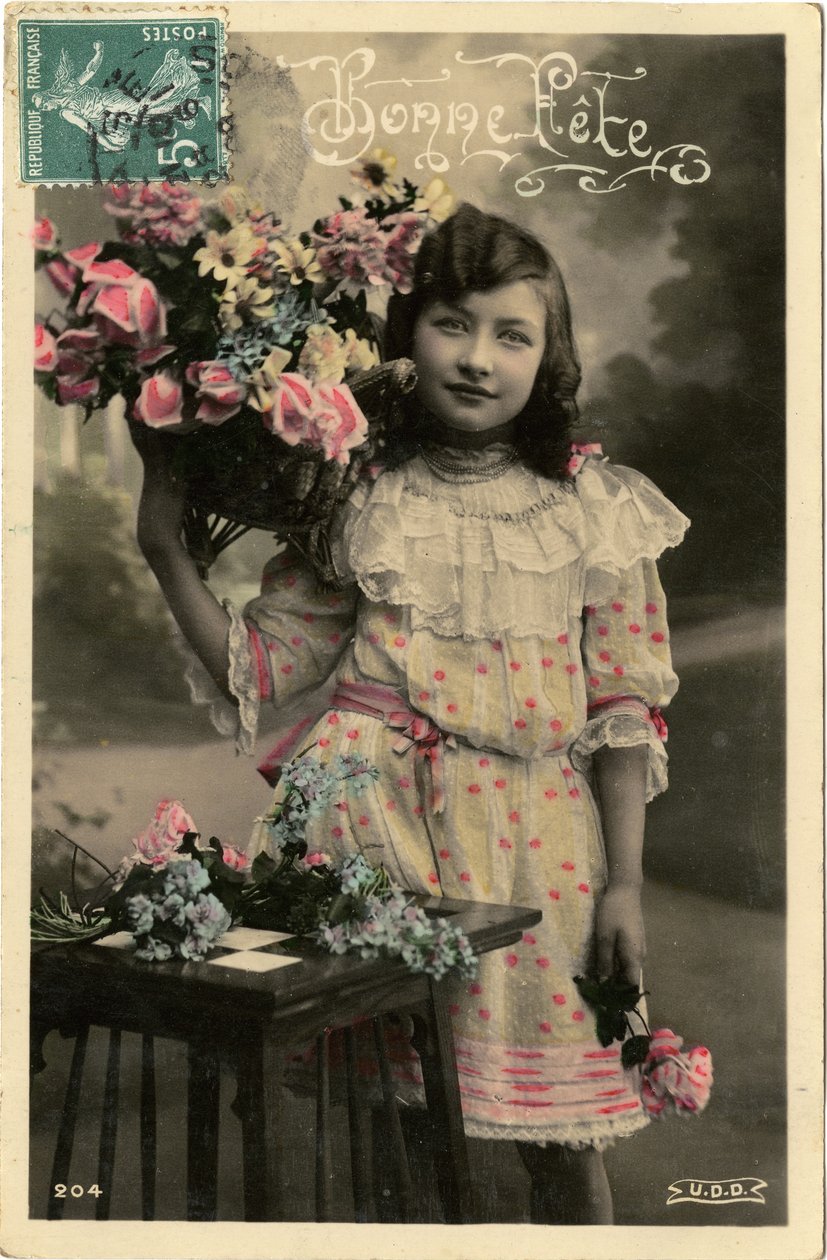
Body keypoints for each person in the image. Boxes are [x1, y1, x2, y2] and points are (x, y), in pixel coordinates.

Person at [133, 203, 689, 1224]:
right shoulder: (359, 494)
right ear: (405, 337)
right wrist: (168, 551)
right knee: (402, 1133)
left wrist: (623, 886)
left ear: (547, 353)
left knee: (559, 1144)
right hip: (383, 833)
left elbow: (620, 710)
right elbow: (262, 664)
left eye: (510, 334)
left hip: (541, 851)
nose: (477, 359)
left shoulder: (590, 507)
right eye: (451, 325)